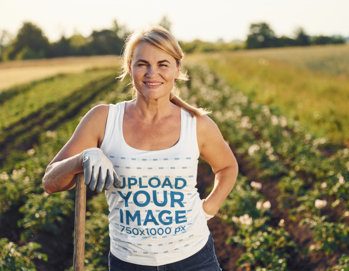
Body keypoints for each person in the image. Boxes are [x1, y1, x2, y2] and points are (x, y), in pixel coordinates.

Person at [42, 25, 238, 271]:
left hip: (194, 259)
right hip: (130, 263)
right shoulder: (104, 119)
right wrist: (82, 159)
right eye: (142, 64)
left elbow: (227, 166)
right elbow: (50, 181)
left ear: (178, 69)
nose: (152, 73)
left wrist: (210, 206)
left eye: (163, 64)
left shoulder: (196, 124)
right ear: (129, 68)